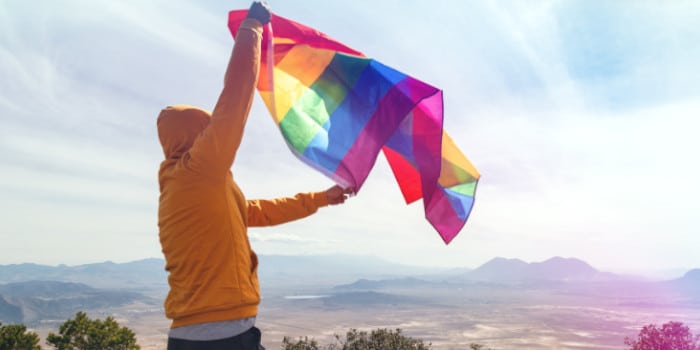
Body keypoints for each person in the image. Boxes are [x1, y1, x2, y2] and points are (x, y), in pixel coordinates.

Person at [156, 2, 353, 349]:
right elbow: (236, 96)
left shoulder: (189, 189)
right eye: (205, 131)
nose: (210, 136)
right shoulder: (199, 170)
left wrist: (321, 198)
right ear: (194, 136)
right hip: (220, 338)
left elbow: (257, 212)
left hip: (207, 335)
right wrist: (253, 28)